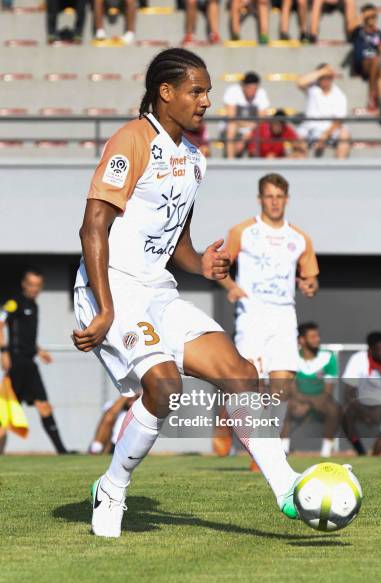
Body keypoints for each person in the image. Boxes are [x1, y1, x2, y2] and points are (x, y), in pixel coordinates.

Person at [72, 48, 303, 538]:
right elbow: (93, 227)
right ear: (166, 93)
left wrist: (202, 264)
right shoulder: (131, 140)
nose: (206, 101)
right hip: (110, 287)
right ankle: (112, 488)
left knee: (240, 372)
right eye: (197, 91)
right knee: (164, 386)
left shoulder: (195, 159)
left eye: (208, 91)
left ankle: (287, 488)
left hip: (156, 289)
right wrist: (105, 307)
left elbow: (177, 243)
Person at [215, 172, 319, 471]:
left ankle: (265, 451)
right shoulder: (243, 232)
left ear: (287, 199)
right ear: (260, 199)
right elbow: (219, 266)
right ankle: (235, 432)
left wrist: (310, 286)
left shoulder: (299, 238)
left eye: (279, 197)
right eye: (269, 196)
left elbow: (311, 279)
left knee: (282, 387)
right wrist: (231, 287)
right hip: (253, 316)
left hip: (285, 316)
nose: (274, 202)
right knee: (249, 384)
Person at [0, 269, 72, 454]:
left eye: (37, 285)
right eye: (31, 284)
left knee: (44, 405)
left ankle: (62, 452)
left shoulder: (34, 306)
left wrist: (39, 351)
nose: (34, 289)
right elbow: (0, 323)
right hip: (16, 364)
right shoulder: (13, 303)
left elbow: (26, 337)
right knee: (6, 411)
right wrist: (4, 352)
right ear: (24, 284)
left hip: (30, 364)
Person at [281, 322, 340, 458]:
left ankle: (326, 453)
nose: (317, 339)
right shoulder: (291, 357)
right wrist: (302, 402)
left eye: (317, 336)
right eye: (312, 337)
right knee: (283, 405)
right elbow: (291, 387)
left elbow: (328, 391)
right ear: (301, 340)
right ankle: (283, 450)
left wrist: (309, 404)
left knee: (334, 409)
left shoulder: (328, 357)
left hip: (320, 402)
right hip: (297, 402)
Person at [297, 63, 351, 159]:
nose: (325, 79)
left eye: (328, 77)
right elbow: (300, 82)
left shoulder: (339, 95)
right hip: (310, 128)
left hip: (330, 131)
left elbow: (338, 121)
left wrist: (325, 135)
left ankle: (340, 168)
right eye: (322, 77)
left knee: (345, 134)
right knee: (299, 138)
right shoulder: (312, 89)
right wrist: (322, 71)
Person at [222, 71, 270, 159]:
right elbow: (231, 117)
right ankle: (230, 161)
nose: (252, 92)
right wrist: (249, 126)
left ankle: (255, 162)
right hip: (236, 128)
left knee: (262, 130)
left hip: (252, 129)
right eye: (249, 88)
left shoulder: (261, 93)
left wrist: (247, 134)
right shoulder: (233, 91)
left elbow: (262, 118)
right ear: (243, 86)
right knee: (231, 127)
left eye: (254, 89)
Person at [350, 4, 381, 110]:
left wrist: (378, 40)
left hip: (375, 63)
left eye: (373, 16)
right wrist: (363, 16)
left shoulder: (379, 33)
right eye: (369, 17)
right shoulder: (358, 31)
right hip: (361, 63)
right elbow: (350, 26)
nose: (371, 19)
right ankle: (372, 98)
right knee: (376, 61)